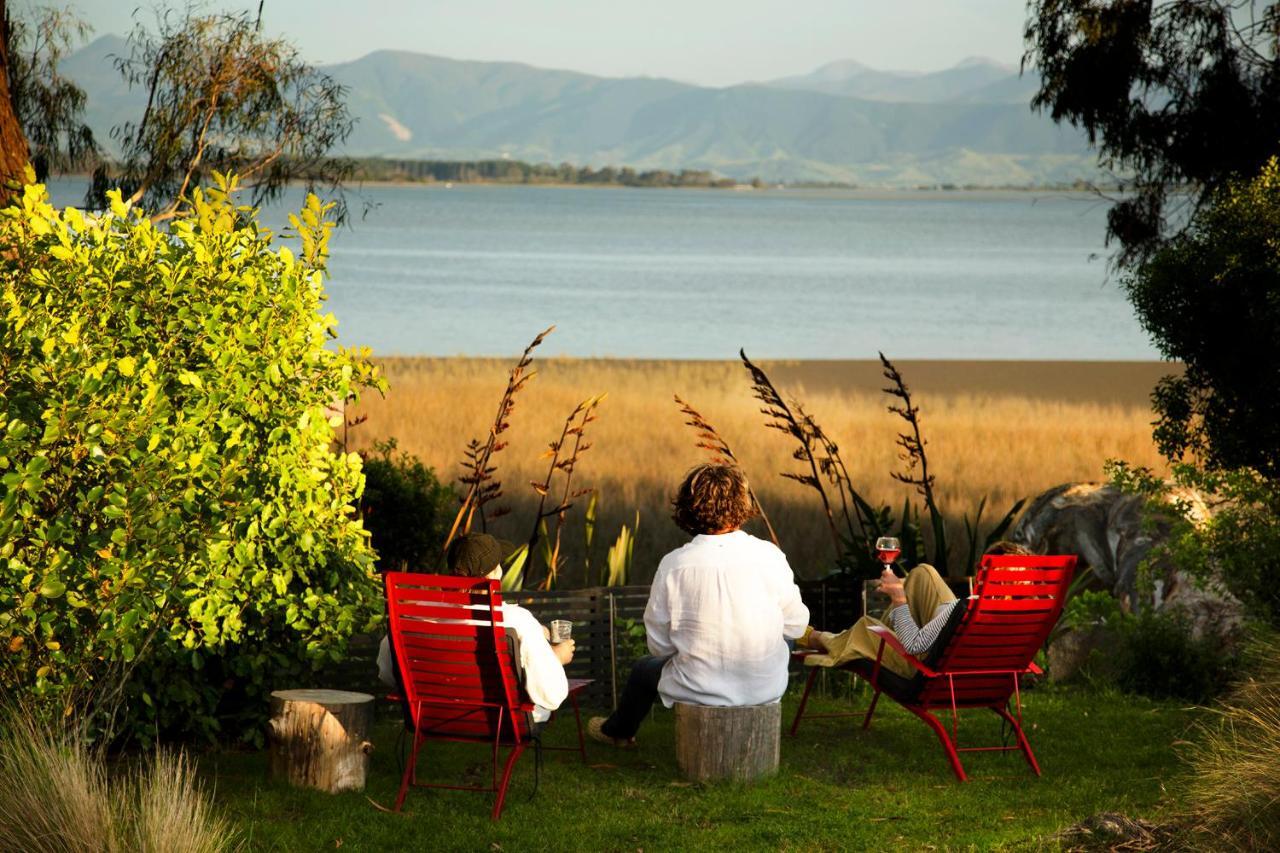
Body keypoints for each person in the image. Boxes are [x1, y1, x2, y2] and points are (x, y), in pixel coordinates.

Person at [588, 463, 810, 747]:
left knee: (645, 668)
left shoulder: (673, 565)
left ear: (688, 508)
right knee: (785, 642)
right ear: (743, 504)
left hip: (698, 687)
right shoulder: (769, 555)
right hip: (765, 688)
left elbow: (659, 647)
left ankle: (617, 732)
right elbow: (796, 625)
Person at [377, 532, 575, 723]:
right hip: (501, 720)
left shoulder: (412, 616)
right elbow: (551, 696)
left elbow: (386, 672)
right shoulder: (518, 621)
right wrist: (556, 657)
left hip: (430, 715)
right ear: (495, 576)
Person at [798, 541, 1033, 678]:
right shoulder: (1025, 615)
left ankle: (817, 638)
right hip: (959, 652)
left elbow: (913, 645)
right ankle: (885, 630)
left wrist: (899, 598)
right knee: (923, 574)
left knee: (867, 628)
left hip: (927, 666)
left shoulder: (966, 609)